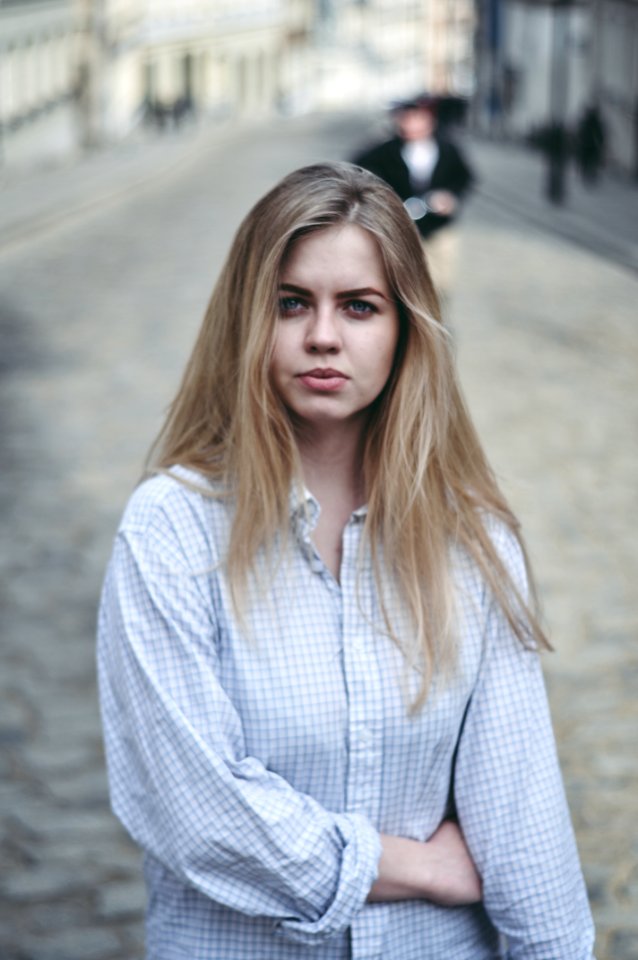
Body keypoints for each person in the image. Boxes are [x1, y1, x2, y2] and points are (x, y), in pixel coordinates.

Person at [97, 161, 595, 959]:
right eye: (292, 303)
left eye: (359, 307)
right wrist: (414, 867)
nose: (322, 335)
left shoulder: (472, 541)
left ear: (404, 329)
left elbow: (523, 823)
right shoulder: (173, 532)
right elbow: (196, 812)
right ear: (247, 320)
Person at [352, 96, 474, 299]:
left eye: (417, 118)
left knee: (441, 281)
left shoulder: (447, 148)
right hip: (402, 226)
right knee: (406, 281)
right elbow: (358, 170)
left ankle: (437, 322)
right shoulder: (385, 150)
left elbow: (464, 177)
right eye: (405, 119)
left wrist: (451, 197)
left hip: (439, 226)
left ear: (430, 120)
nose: (411, 124)